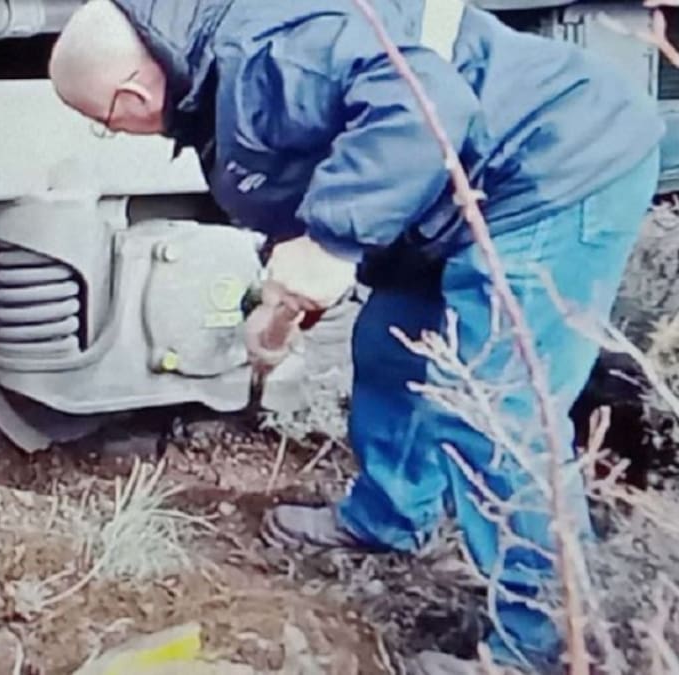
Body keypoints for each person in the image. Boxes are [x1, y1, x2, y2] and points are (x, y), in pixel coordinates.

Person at [47, 0, 663, 672]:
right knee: (389, 343)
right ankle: (389, 518)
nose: (119, 132)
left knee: (498, 406)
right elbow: (301, 169)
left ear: (130, 95)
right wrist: (278, 297)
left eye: (105, 124)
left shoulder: (271, 54)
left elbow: (424, 100)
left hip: (550, 167)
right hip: (452, 197)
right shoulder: (215, 80)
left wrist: (334, 242)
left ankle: (541, 646)